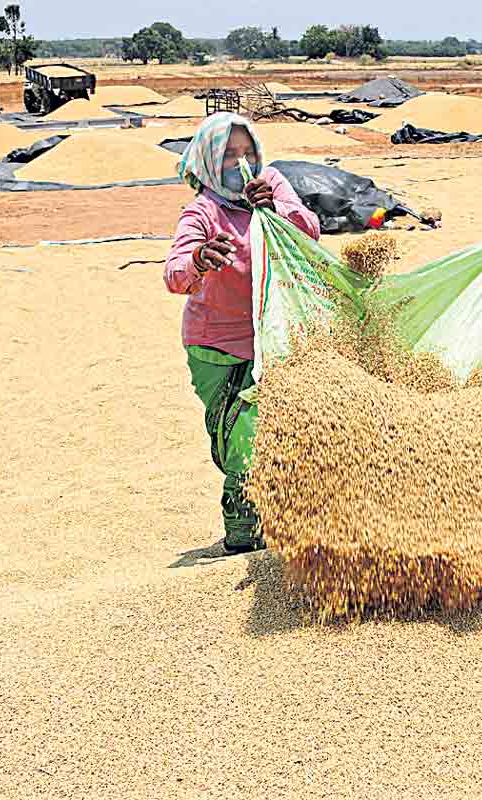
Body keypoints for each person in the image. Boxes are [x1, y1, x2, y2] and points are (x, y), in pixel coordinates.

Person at [165, 112, 321, 554]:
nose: (242, 163)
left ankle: (286, 517)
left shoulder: (272, 184)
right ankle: (244, 530)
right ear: (208, 163)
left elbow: (310, 232)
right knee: (241, 438)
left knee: (281, 432)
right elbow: (174, 274)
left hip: (273, 336)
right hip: (218, 344)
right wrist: (199, 259)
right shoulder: (203, 212)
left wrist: (275, 208)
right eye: (229, 155)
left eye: (248, 152)